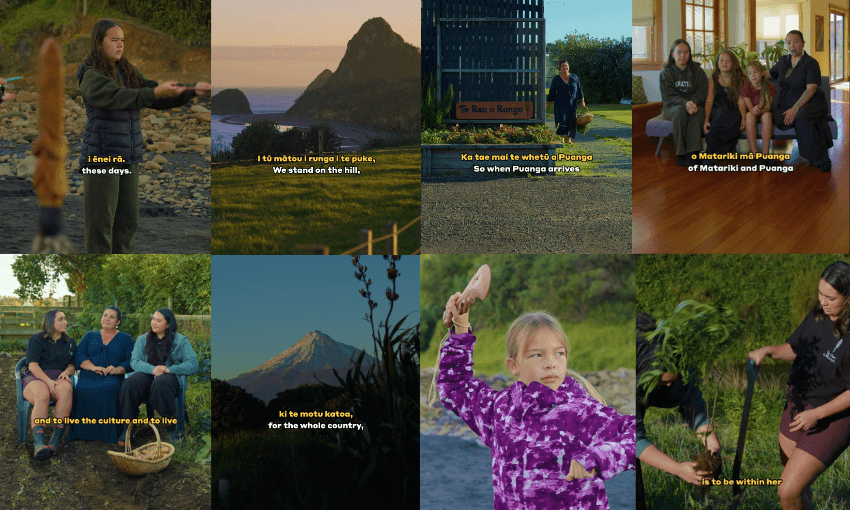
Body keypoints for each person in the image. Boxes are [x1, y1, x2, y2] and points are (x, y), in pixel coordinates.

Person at [437, 293, 635, 510]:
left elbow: (638, 434)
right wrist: (460, 327)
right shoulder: (500, 410)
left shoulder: (582, 413)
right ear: (513, 365)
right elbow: (454, 386)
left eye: (559, 353)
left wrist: (600, 456)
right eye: (537, 355)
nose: (551, 363)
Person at [77, 19, 211, 253]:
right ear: (98, 43)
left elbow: (153, 93)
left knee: (128, 224)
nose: (120, 45)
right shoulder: (91, 75)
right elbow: (121, 97)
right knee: (101, 225)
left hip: (129, 157)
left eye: (122, 40)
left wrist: (191, 90)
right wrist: (154, 92)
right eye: (114, 40)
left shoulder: (125, 69)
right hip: (101, 158)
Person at [747, 261, 850, 510]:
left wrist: (817, 414)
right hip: (797, 403)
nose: (823, 302)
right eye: (820, 294)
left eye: (831, 298)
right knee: (796, 487)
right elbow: (795, 348)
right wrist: (768, 351)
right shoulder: (817, 315)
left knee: (787, 489)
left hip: (832, 415)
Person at [635, 311, 721, 490]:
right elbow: (635, 439)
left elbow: (694, 406)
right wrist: (677, 468)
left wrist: (712, 446)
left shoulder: (679, 366)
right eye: (663, 381)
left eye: (672, 381)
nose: (669, 384)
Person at [119, 308, 198, 444]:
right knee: (129, 385)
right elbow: (135, 361)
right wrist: (153, 369)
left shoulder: (181, 341)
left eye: (159, 320)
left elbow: (193, 364)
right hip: (147, 374)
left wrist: (169, 369)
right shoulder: (142, 339)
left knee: (160, 384)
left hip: (169, 378)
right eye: (153, 319)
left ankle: (171, 422)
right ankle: (128, 428)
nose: (154, 323)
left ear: (168, 324)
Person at [67, 306, 134, 443]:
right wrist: (92, 367)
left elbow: (131, 360)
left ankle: (109, 434)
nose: (107, 319)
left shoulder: (126, 339)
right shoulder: (90, 335)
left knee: (109, 389)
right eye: (105, 315)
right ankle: (83, 433)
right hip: (89, 375)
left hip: (113, 377)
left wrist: (117, 369)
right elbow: (79, 355)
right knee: (82, 389)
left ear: (118, 322)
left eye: (112, 317)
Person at [769, 30, 833, 172]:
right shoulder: (783, 61)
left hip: (811, 101)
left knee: (802, 117)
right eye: (789, 42)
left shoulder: (810, 63)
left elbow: (811, 89)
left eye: (796, 42)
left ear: (803, 43)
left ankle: (821, 159)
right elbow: (768, 73)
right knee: (779, 116)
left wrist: (795, 108)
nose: (792, 45)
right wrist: (752, 74)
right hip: (787, 102)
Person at [21, 309, 77, 459]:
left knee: (66, 390)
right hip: (35, 377)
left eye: (65, 319)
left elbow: (72, 365)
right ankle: (39, 444)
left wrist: (67, 372)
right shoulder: (37, 339)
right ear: (50, 322)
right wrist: (48, 381)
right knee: (42, 395)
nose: (65, 322)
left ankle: (54, 441)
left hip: (58, 376)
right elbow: (33, 365)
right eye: (60, 319)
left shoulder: (70, 342)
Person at [659, 40, 708, 166]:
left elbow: (702, 92)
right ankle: (680, 153)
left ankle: (693, 152)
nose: (682, 55)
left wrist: (693, 103)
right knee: (680, 111)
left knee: (699, 112)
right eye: (679, 52)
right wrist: (685, 103)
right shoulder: (666, 72)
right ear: (672, 54)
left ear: (689, 54)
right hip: (672, 108)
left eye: (686, 52)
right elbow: (668, 96)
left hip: (694, 105)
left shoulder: (697, 71)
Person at [702, 50, 747, 156]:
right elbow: (709, 100)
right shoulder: (713, 79)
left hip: (734, 109)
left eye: (728, 61)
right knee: (719, 115)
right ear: (717, 63)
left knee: (732, 117)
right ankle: (709, 153)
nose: (724, 63)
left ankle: (727, 152)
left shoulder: (740, 79)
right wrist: (706, 119)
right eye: (721, 60)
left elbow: (741, 100)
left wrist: (744, 118)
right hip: (717, 108)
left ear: (733, 63)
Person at [740, 60, 778, 156]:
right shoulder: (745, 88)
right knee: (749, 116)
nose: (753, 75)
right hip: (752, 112)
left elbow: (768, 106)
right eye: (750, 73)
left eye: (756, 72)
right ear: (747, 76)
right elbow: (750, 108)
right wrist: (753, 110)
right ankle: (755, 153)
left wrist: (760, 111)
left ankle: (765, 154)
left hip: (764, 111)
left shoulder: (769, 87)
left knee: (767, 116)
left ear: (762, 73)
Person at [546, 60, 585, 144]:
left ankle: (568, 138)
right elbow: (552, 91)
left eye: (566, 65)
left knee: (571, 120)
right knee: (560, 120)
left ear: (569, 67)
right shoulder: (556, 78)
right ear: (560, 68)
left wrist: (582, 101)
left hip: (572, 104)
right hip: (560, 103)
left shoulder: (574, 77)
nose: (565, 67)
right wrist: (547, 102)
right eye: (563, 66)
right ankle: (561, 138)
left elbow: (579, 90)